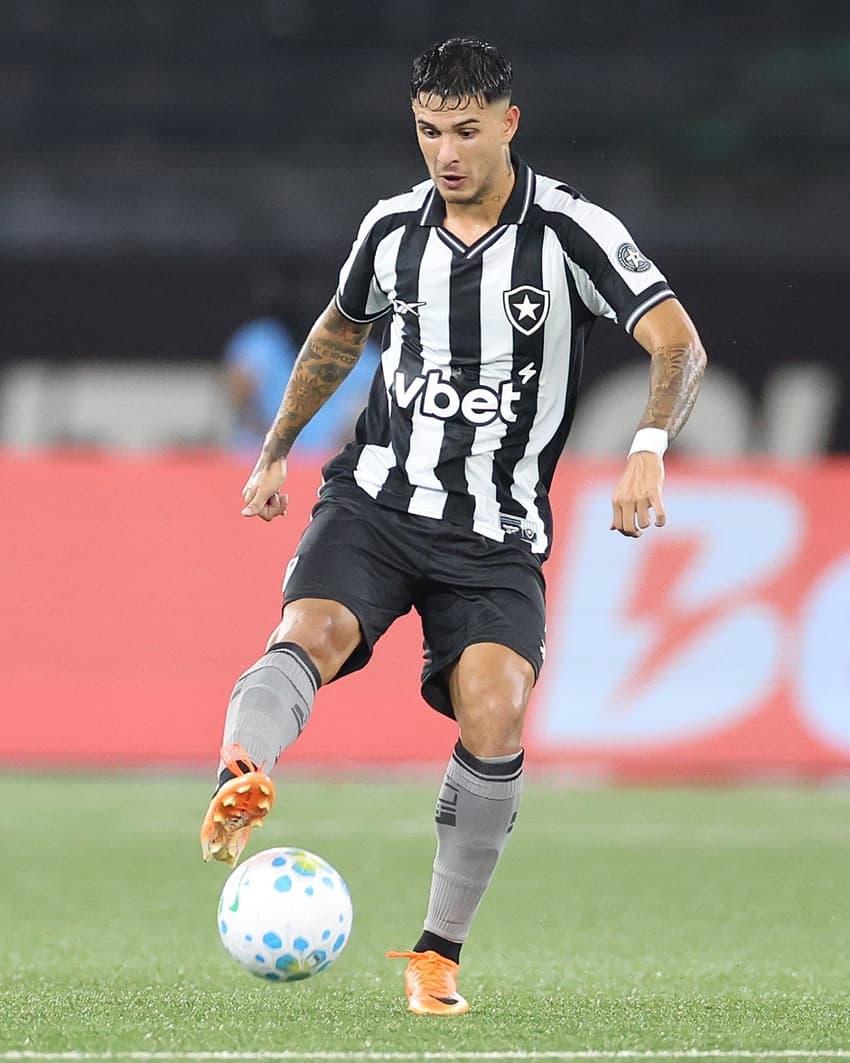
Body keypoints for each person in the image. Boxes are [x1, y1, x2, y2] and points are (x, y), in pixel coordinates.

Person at [200, 37, 707, 1015]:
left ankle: (437, 954)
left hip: (497, 532)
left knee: (497, 706)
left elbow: (675, 341)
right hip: (378, 499)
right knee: (312, 630)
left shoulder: (570, 233)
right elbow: (339, 331)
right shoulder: (392, 229)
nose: (446, 152)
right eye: (430, 130)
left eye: (466, 130)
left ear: (508, 124)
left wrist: (648, 442)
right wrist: (274, 450)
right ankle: (242, 768)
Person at [223, 263, 380, 455]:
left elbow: (379, 408)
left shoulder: (361, 351)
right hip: (259, 462)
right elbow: (239, 397)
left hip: (330, 463)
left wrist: (345, 443)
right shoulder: (260, 340)